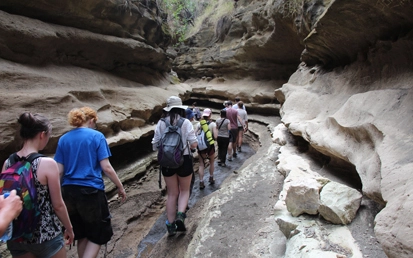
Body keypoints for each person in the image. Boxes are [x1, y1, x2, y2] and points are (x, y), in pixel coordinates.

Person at [54, 107, 127, 258]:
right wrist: (120, 186)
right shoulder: (97, 136)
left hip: (68, 191)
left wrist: (57, 194)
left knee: (82, 234)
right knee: (98, 234)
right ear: (92, 120)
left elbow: (59, 171)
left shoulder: (63, 139)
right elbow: (106, 167)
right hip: (90, 191)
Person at [2, 112, 74, 258]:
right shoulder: (47, 163)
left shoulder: (8, 162)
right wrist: (69, 228)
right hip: (45, 235)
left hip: (17, 236)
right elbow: (58, 205)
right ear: (42, 135)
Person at [152, 96, 197, 236]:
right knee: (184, 190)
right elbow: (194, 144)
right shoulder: (185, 123)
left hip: (166, 161)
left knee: (172, 193)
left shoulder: (161, 123)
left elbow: (155, 144)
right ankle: (180, 216)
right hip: (184, 160)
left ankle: (170, 226)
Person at [197, 108, 218, 189]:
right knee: (212, 162)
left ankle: (201, 182)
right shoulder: (212, 124)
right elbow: (215, 137)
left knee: (201, 164)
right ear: (210, 115)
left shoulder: (199, 124)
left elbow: (196, 134)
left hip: (201, 147)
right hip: (210, 147)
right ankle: (211, 178)